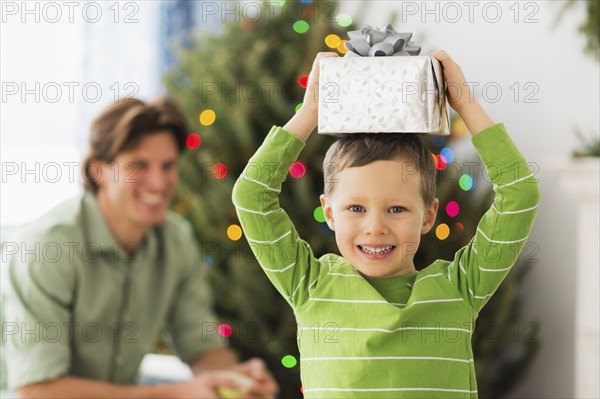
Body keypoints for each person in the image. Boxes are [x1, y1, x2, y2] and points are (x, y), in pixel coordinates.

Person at [232, 51, 540, 398]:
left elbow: (520, 193)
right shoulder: (309, 284)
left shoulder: (461, 288)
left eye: (396, 209)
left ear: (428, 215)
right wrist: (310, 112)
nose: (375, 227)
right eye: (356, 208)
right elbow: (251, 195)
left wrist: (465, 103)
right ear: (329, 213)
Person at [1, 97, 278, 398]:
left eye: (168, 165)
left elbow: (202, 348)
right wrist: (177, 394)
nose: (159, 183)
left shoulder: (176, 240)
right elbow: (38, 392)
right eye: (139, 166)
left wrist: (237, 380)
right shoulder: (47, 247)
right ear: (98, 171)